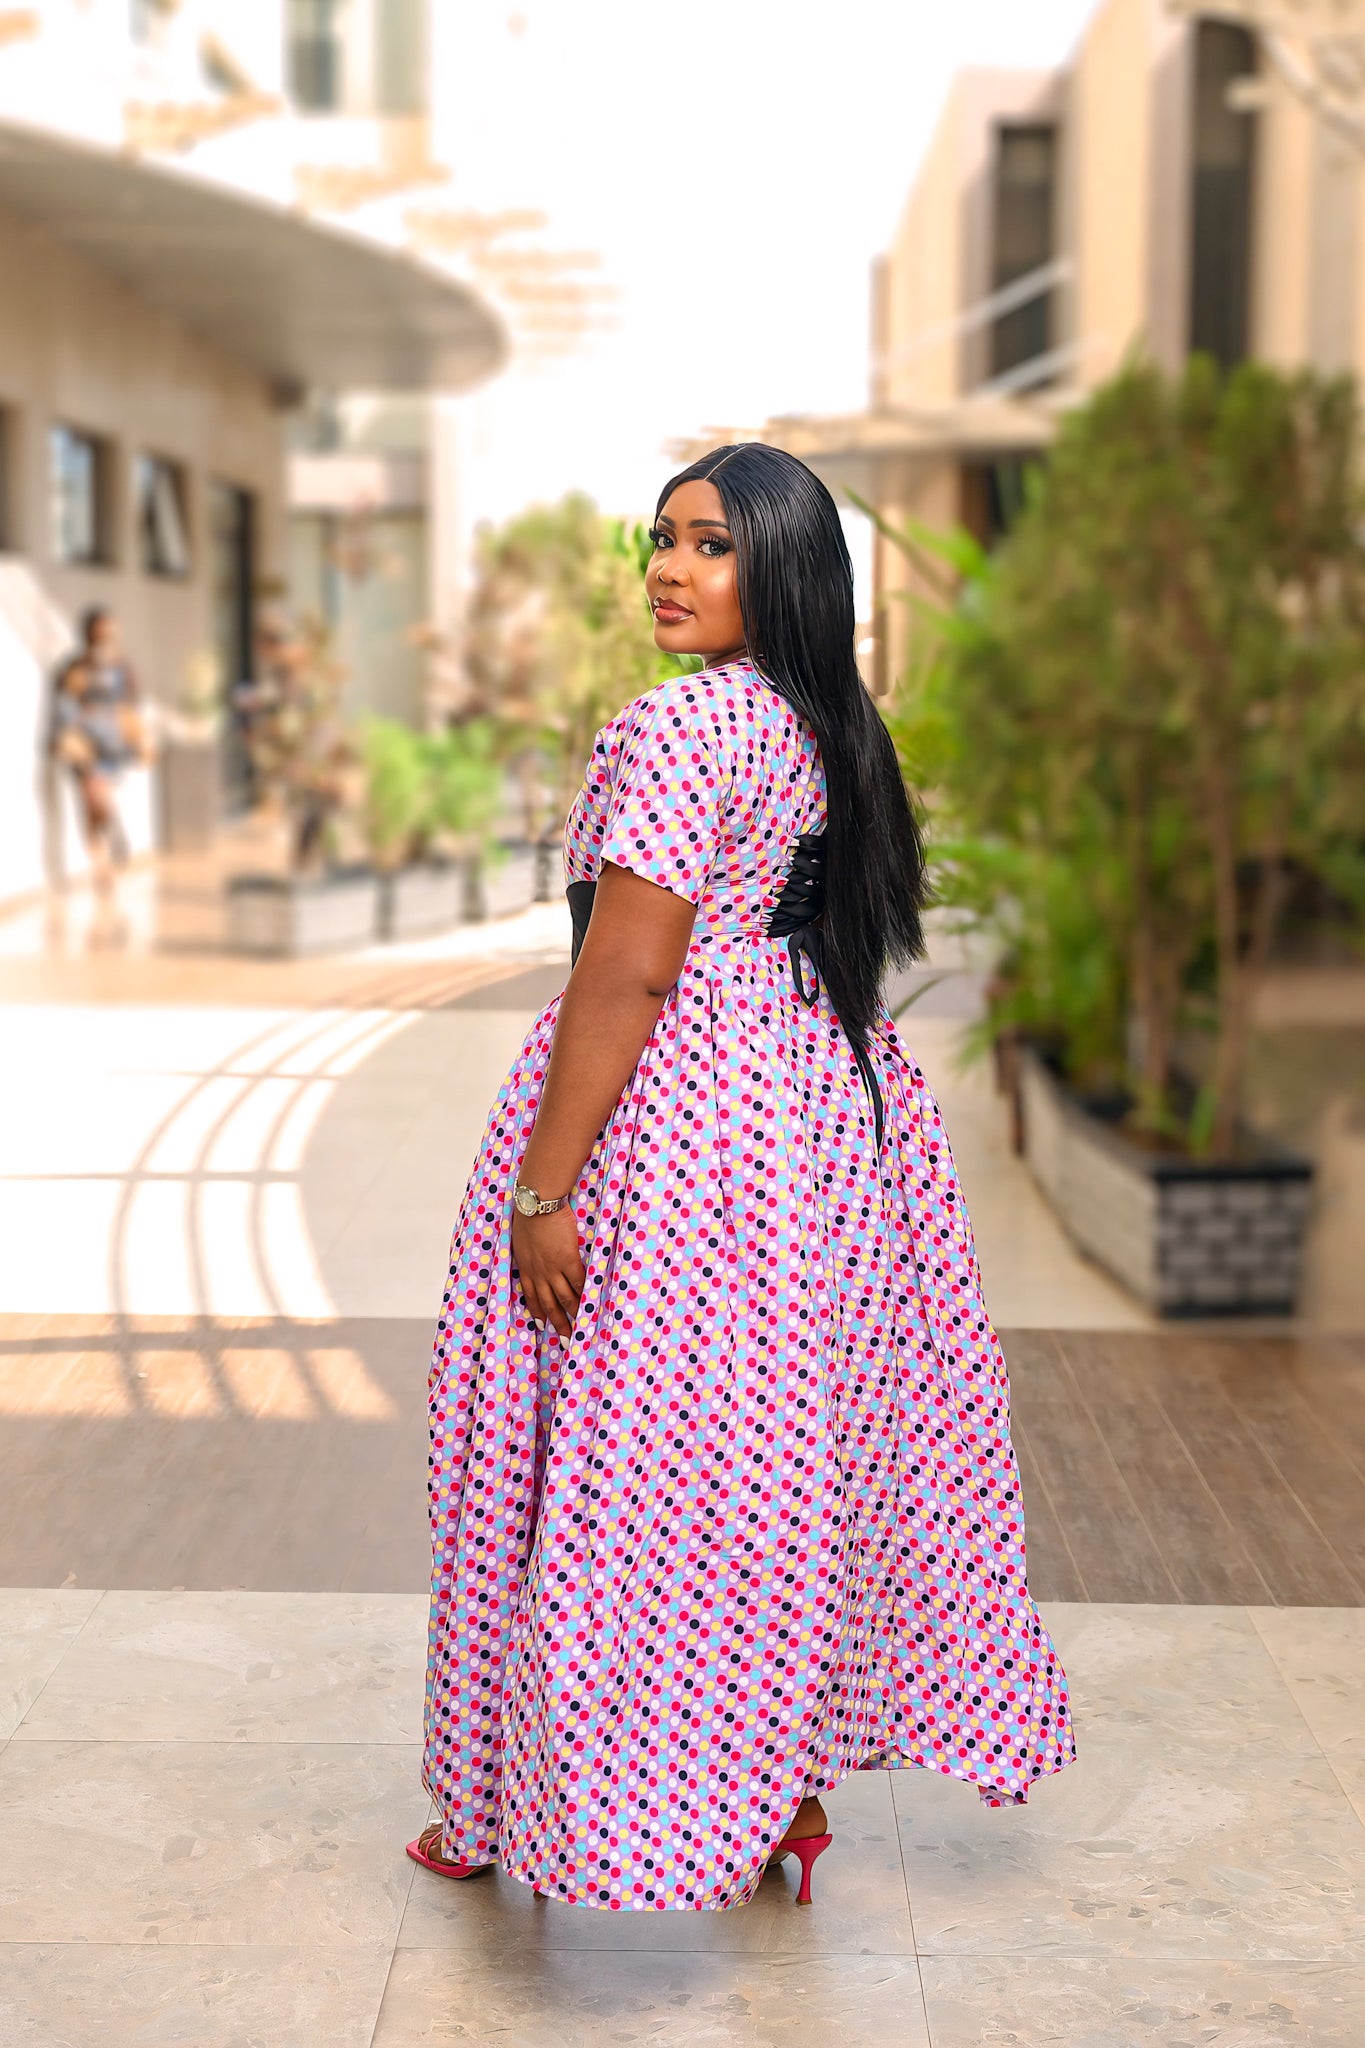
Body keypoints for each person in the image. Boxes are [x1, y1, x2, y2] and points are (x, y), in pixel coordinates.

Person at [412, 444, 1075, 1912]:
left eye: (709, 544)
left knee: (594, 1464)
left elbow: (630, 971)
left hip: (682, 1131)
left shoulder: (679, 725)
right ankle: (776, 1791)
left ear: (782, 563)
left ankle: (550, 1802)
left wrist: (543, 1188)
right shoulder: (828, 724)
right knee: (768, 1462)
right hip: (815, 1114)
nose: (666, 567)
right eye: (660, 540)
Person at [49, 606, 146, 937]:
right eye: (105, 629)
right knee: (90, 797)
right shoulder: (74, 668)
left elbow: (132, 704)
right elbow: (63, 704)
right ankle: (101, 867)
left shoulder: (122, 667)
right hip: (83, 744)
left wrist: (135, 738)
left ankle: (111, 835)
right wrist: (66, 736)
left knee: (96, 804)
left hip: (112, 744)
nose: (110, 635)